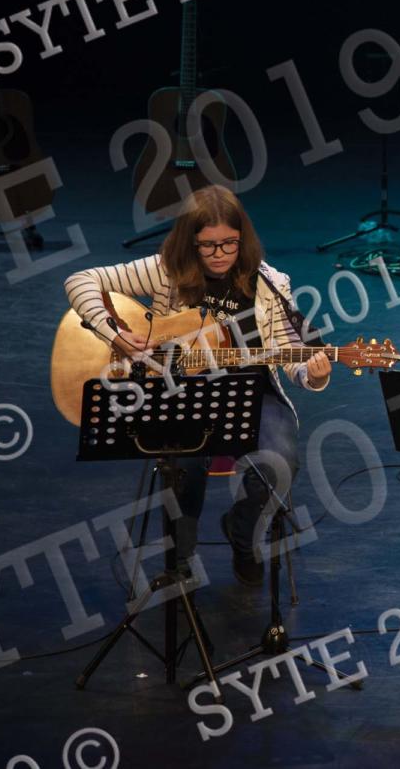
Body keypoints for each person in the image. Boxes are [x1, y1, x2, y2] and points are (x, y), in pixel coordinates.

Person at [64, 185, 331, 585]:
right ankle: (180, 561)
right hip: (180, 390)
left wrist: (315, 374)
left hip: (252, 390)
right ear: (190, 242)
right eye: (208, 245)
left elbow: (289, 352)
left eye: (230, 243)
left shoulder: (270, 282)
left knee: (279, 464)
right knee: (183, 464)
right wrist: (114, 334)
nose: (220, 254)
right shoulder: (164, 270)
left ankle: (243, 536)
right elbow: (80, 280)